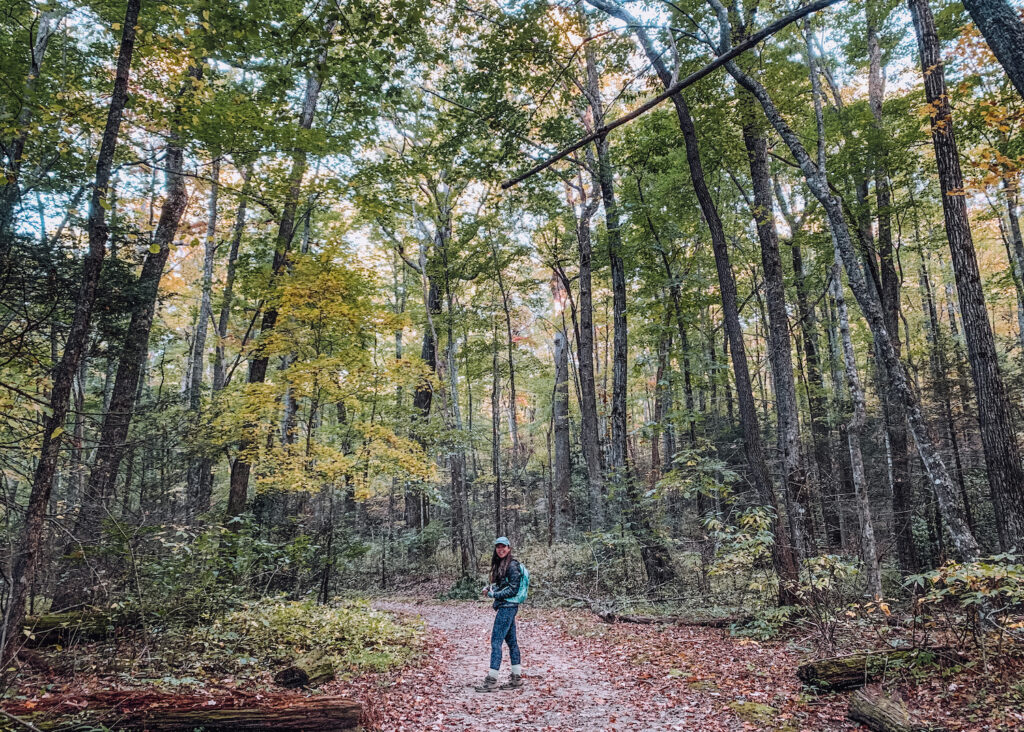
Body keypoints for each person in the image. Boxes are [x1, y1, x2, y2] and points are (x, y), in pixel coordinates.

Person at [474, 536, 523, 692]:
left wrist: (494, 595)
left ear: (509, 548)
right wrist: (490, 589)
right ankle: (516, 679)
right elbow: (502, 585)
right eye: (498, 547)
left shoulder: (512, 566)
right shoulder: (503, 564)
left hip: (507, 607)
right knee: (512, 642)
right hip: (508, 606)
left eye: (503, 547)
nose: (500, 549)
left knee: (496, 642)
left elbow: (513, 589)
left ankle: (492, 680)